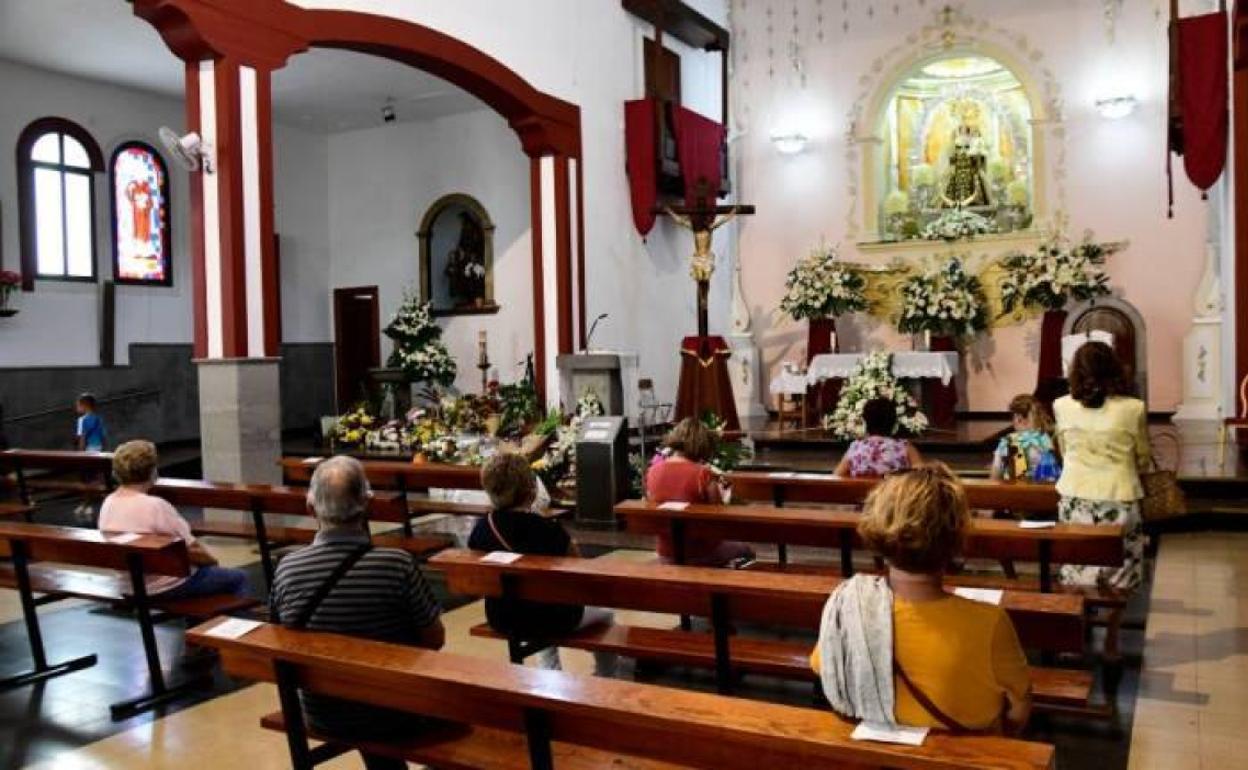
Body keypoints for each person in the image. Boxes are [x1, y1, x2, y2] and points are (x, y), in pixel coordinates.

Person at [810, 464, 1032, 735]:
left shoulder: (847, 606)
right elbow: (1019, 706)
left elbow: (824, 669)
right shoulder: (990, 624)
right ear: (956, 537)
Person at [270, 455, 444, 770]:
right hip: (394, 709)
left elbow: (280, 636)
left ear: (310, 509)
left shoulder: (288, 569)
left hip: (323, 709)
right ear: (367, 506)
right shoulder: (396, 564)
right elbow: (434, 639)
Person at [468, 452, 615, 674]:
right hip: (554, 618)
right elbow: (580, 571)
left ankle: (550, 671)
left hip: (501, 616)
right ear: (530, 488)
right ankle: (607, 674)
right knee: (605, 613)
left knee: (539, 604)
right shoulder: (547, 529)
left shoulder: (481, 529)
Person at [1052, 341, 1148, 593]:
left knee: (1077, 568)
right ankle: (1113, 624)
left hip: (1075, 496)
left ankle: (1082, 622)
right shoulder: (1133, 408)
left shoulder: (1061, 406)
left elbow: (1063, 451)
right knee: (1120, 574)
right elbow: (1143, 457)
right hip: (1119, 496)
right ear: (1114, 370)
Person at [98, 440, 248, 599]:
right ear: (152, 471)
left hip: (128, 585)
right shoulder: (155, 506)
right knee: (239, 577)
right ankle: (240, 623)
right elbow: (192, 549)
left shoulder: (109, 502)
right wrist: (213, 562)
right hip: (163, 585)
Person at [645, 418, 754, 567]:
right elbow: (718, 517)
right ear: (701, 444)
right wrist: (725, 496)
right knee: (746, 550)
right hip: (701, 551)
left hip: (666, 551)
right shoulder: (702, 474)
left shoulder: (653, 471)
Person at [834, 398, 922, 478]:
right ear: (893, 421)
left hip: (862, 495)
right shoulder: (906, 448)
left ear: (866, 421)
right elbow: (922, 477)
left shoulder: (856, 447)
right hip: (894, 495)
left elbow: (838, 476)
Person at [990, 394, 1061, 483]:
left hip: (1015, 492)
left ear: (1018, 419)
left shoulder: (1009, 442)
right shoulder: (1049, 440)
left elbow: (995, 476)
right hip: (1046, 492)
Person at [74, 393, 108, 518]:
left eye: (77, 405)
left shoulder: (82, 420)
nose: (76, 407)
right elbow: (104, 437)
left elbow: (82, 438)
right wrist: (104, 451)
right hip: (99, 451)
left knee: (86, 480)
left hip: (87, 452)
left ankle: (86, 505)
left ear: (84, 405)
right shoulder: (99, 419)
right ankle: (105, 505)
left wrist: (80, 455)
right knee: (98, 479)